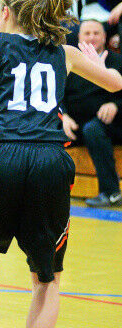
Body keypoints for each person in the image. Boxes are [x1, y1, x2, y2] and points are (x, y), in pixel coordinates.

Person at [0, 0, 122, 328]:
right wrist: (97, 64)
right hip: (50, 160)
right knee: (47, 277)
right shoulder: (66, 52)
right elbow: (116, 83)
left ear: (5, 12)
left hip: (0, 156)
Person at [63, 20, 122, 208]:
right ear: (79, 37)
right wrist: (63, 115)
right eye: (86, 33)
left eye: (96, 33)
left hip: (110, 124)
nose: (91, 37)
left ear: (105, 37)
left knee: (94, 129)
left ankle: (111, 193)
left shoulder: (117, 61)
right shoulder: (72, 63)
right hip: (75, 125)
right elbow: (56, 94)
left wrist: (115, 105)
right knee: (45, 127)